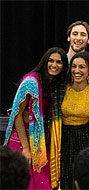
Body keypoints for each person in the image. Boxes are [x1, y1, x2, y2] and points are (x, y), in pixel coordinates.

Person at [3, 47, 68, 189]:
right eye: (51, 61)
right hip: (23, 139)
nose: (54, 65)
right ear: (44, 62)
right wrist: (26, 148)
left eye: (59, 62)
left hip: (40, 141)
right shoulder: (31, 82)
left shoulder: (53, 85)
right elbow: (17, 115)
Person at [60, 51, 89, 189]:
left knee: (84, 177)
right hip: (63, 137)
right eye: (74, 66)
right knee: (65, 176)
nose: (77, 71)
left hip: (85, 137)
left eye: (82, 67)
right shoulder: (63, 87)